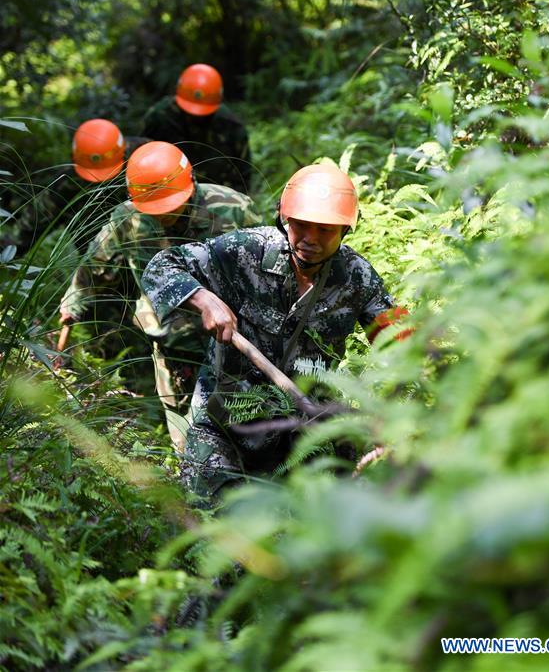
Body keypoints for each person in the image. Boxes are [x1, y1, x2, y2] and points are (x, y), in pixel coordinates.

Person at [141, 162, 402, 501]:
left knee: (357, 507)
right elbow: (162, 266)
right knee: (211, 520)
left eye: (325, 230)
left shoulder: (357, 277)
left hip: (307, 424)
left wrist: (389, 423)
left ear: (344, 230)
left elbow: (403, 346)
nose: (310, 239)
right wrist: (203, 299)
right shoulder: (244, 251)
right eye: (302, 226)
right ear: (285, 220)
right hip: (228, 421)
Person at [57, 140, 260, 450]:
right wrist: (73, 307)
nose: (166, 216)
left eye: (172, 206)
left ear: (190, 184)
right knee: (184, 432)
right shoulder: (127, 220)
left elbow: (266, 268)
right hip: (171, 343)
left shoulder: (233, 208)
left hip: (231, 337)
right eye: (156, 208)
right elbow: (95, 268)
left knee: (240, 423)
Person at [15, 119, 148, 251]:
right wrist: (9, 252)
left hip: (149, 230)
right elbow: (34, 220)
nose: (99, 178)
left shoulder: (146, 153)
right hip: (97, 250)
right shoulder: (67, 182)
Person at [140, 64, 251, 193]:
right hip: (167, 196)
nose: (196, 117)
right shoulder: (160, 118)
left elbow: (243, 176)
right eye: (189, 112)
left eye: (204, 115)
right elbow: (143, 160)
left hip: (217, 199)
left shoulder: (230, 126)